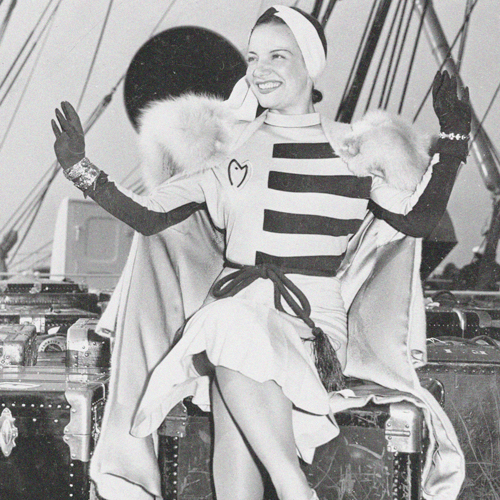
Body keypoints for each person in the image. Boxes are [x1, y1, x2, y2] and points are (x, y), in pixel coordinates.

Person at [52, 6, 471, 500]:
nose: (260, 69)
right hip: (237, 311)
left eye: (278, 56)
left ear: (310, 64)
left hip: (310, 326)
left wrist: (453, 141)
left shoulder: (354, 148)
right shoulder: (227, 147)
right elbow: (150, 216)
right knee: (230, 392)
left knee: (224, 325)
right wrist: (80, 169)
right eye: (253, 57)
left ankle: (295, 490)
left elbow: (416, 220)